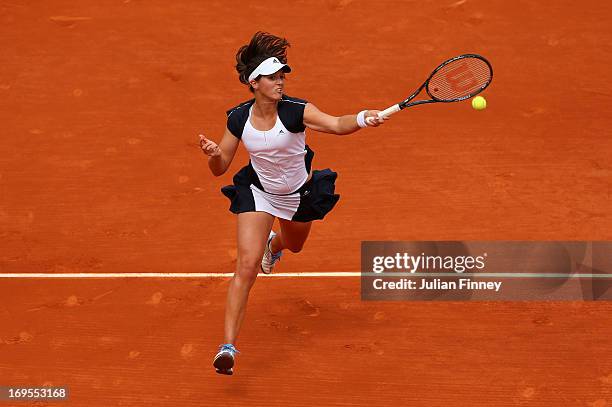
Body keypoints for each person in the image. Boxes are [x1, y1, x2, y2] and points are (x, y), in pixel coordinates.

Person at [199, 32, 387, 375]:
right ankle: (227, 347)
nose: (280, 82)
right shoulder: (238, 118)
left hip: (299, 196)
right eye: (273, 77)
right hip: (259, 192)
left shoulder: (297, 111)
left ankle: (277, 244)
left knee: (295, 245)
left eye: (282, 75)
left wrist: (362, 118)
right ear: (254, 82)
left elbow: (336, 124)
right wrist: (213, 155)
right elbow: (220, 168)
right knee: (246, 265)